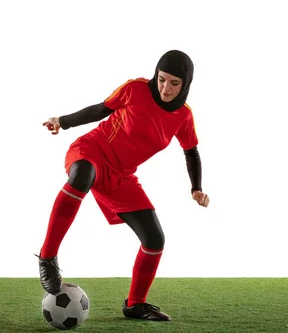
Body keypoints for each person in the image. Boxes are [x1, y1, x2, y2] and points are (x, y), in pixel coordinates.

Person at [37, 49, 210, 322]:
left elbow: (191, 152)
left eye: (174, 83)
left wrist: (196, 188)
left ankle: (135, 304)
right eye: (162, 79)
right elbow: (100, 109)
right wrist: (63, 122)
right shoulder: (135, 89)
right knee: (81, 175)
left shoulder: (183, 116)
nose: (165, 88)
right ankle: (47, 258)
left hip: (121, 176)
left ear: (186, 84)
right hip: (92, 150)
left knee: (154, 240)